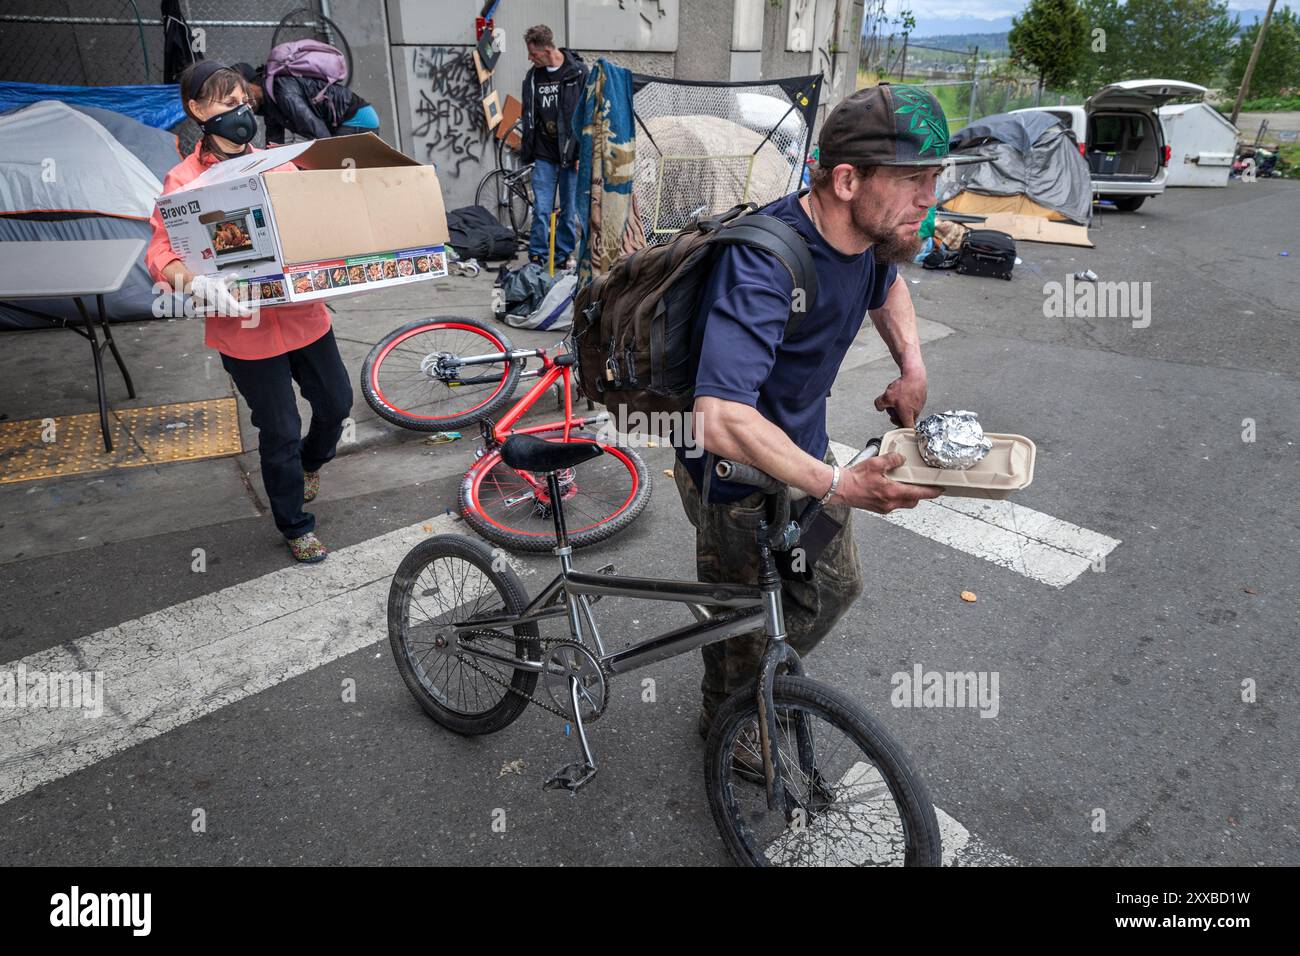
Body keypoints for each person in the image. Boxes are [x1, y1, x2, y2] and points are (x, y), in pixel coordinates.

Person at [676, 84, 991, 738]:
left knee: (825, 586)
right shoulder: (764, 262)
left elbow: (889, 288)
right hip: (733, 480)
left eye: (934, 177)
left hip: (805, 460)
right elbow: (719, 416)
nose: (930, 197)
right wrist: (841, 483)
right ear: (847, 180)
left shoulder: (871, 240)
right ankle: (728, 726)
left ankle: (758, 685)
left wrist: (912, 366)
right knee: (746, 621)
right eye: (912, 179)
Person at [146, 61, 353, 564]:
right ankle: (294, 524)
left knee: (337, 405)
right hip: (245, 329)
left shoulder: (279, 165)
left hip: (304, 316)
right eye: (225, 104)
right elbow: (160, 252)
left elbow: (316, 226)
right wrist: (194, 283)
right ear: (196, 110)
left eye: (244, 102)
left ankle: (312, 462)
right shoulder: (183, 182)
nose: (240, 113)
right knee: (279, 427)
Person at [519, 24, 588, 267]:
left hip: (570, 155)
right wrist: (528, 151)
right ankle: (537, 255)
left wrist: (582, 153)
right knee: (541, 209)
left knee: (569, 212)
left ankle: (560, 256)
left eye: (533, 53)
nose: (530, 58)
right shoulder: (533, 77)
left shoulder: (578, 72)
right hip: (544, 155)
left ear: (547, 49)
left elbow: (586, 115)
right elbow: (529, 115)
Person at [231, 62, 380, 145]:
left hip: (357, 119)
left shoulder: (283, 91)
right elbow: (274, 141)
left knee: (337, 169)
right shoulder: (269, 103)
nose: (241, 101)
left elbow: (317, 130)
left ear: (253, 84)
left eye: (242, 92)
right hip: (347, 121)